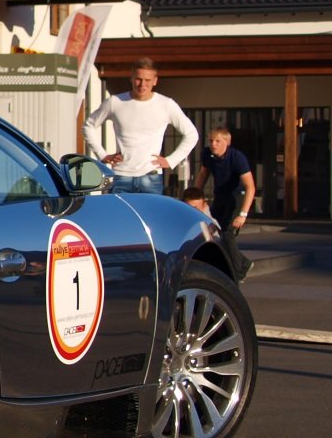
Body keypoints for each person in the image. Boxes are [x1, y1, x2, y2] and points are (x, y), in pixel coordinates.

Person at [82, 57, 198, 195]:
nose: (142, 84)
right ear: (131, 79)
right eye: (138, 79)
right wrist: (102, 155)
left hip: (151, 176)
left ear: (155, 81)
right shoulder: (115, 102)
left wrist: (171, 160)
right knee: (119, 217)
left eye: (147, 80)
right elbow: (88, 126)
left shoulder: (166, 105)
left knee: (151, 217)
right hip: (120, 176)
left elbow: (191, 134)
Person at [194, 126, 256, 281]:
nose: (213, 144)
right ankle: (243, 263)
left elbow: (250, 187)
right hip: (220, 196)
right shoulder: (208, 154)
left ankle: (238, 273)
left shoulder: (237, 158)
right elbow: (203, 174)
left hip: (236, 197)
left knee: (228, 233)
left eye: (217, 141)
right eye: (211, 141)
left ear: (227, 142)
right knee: (215, 231)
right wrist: (195, 196)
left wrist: (243, 214)